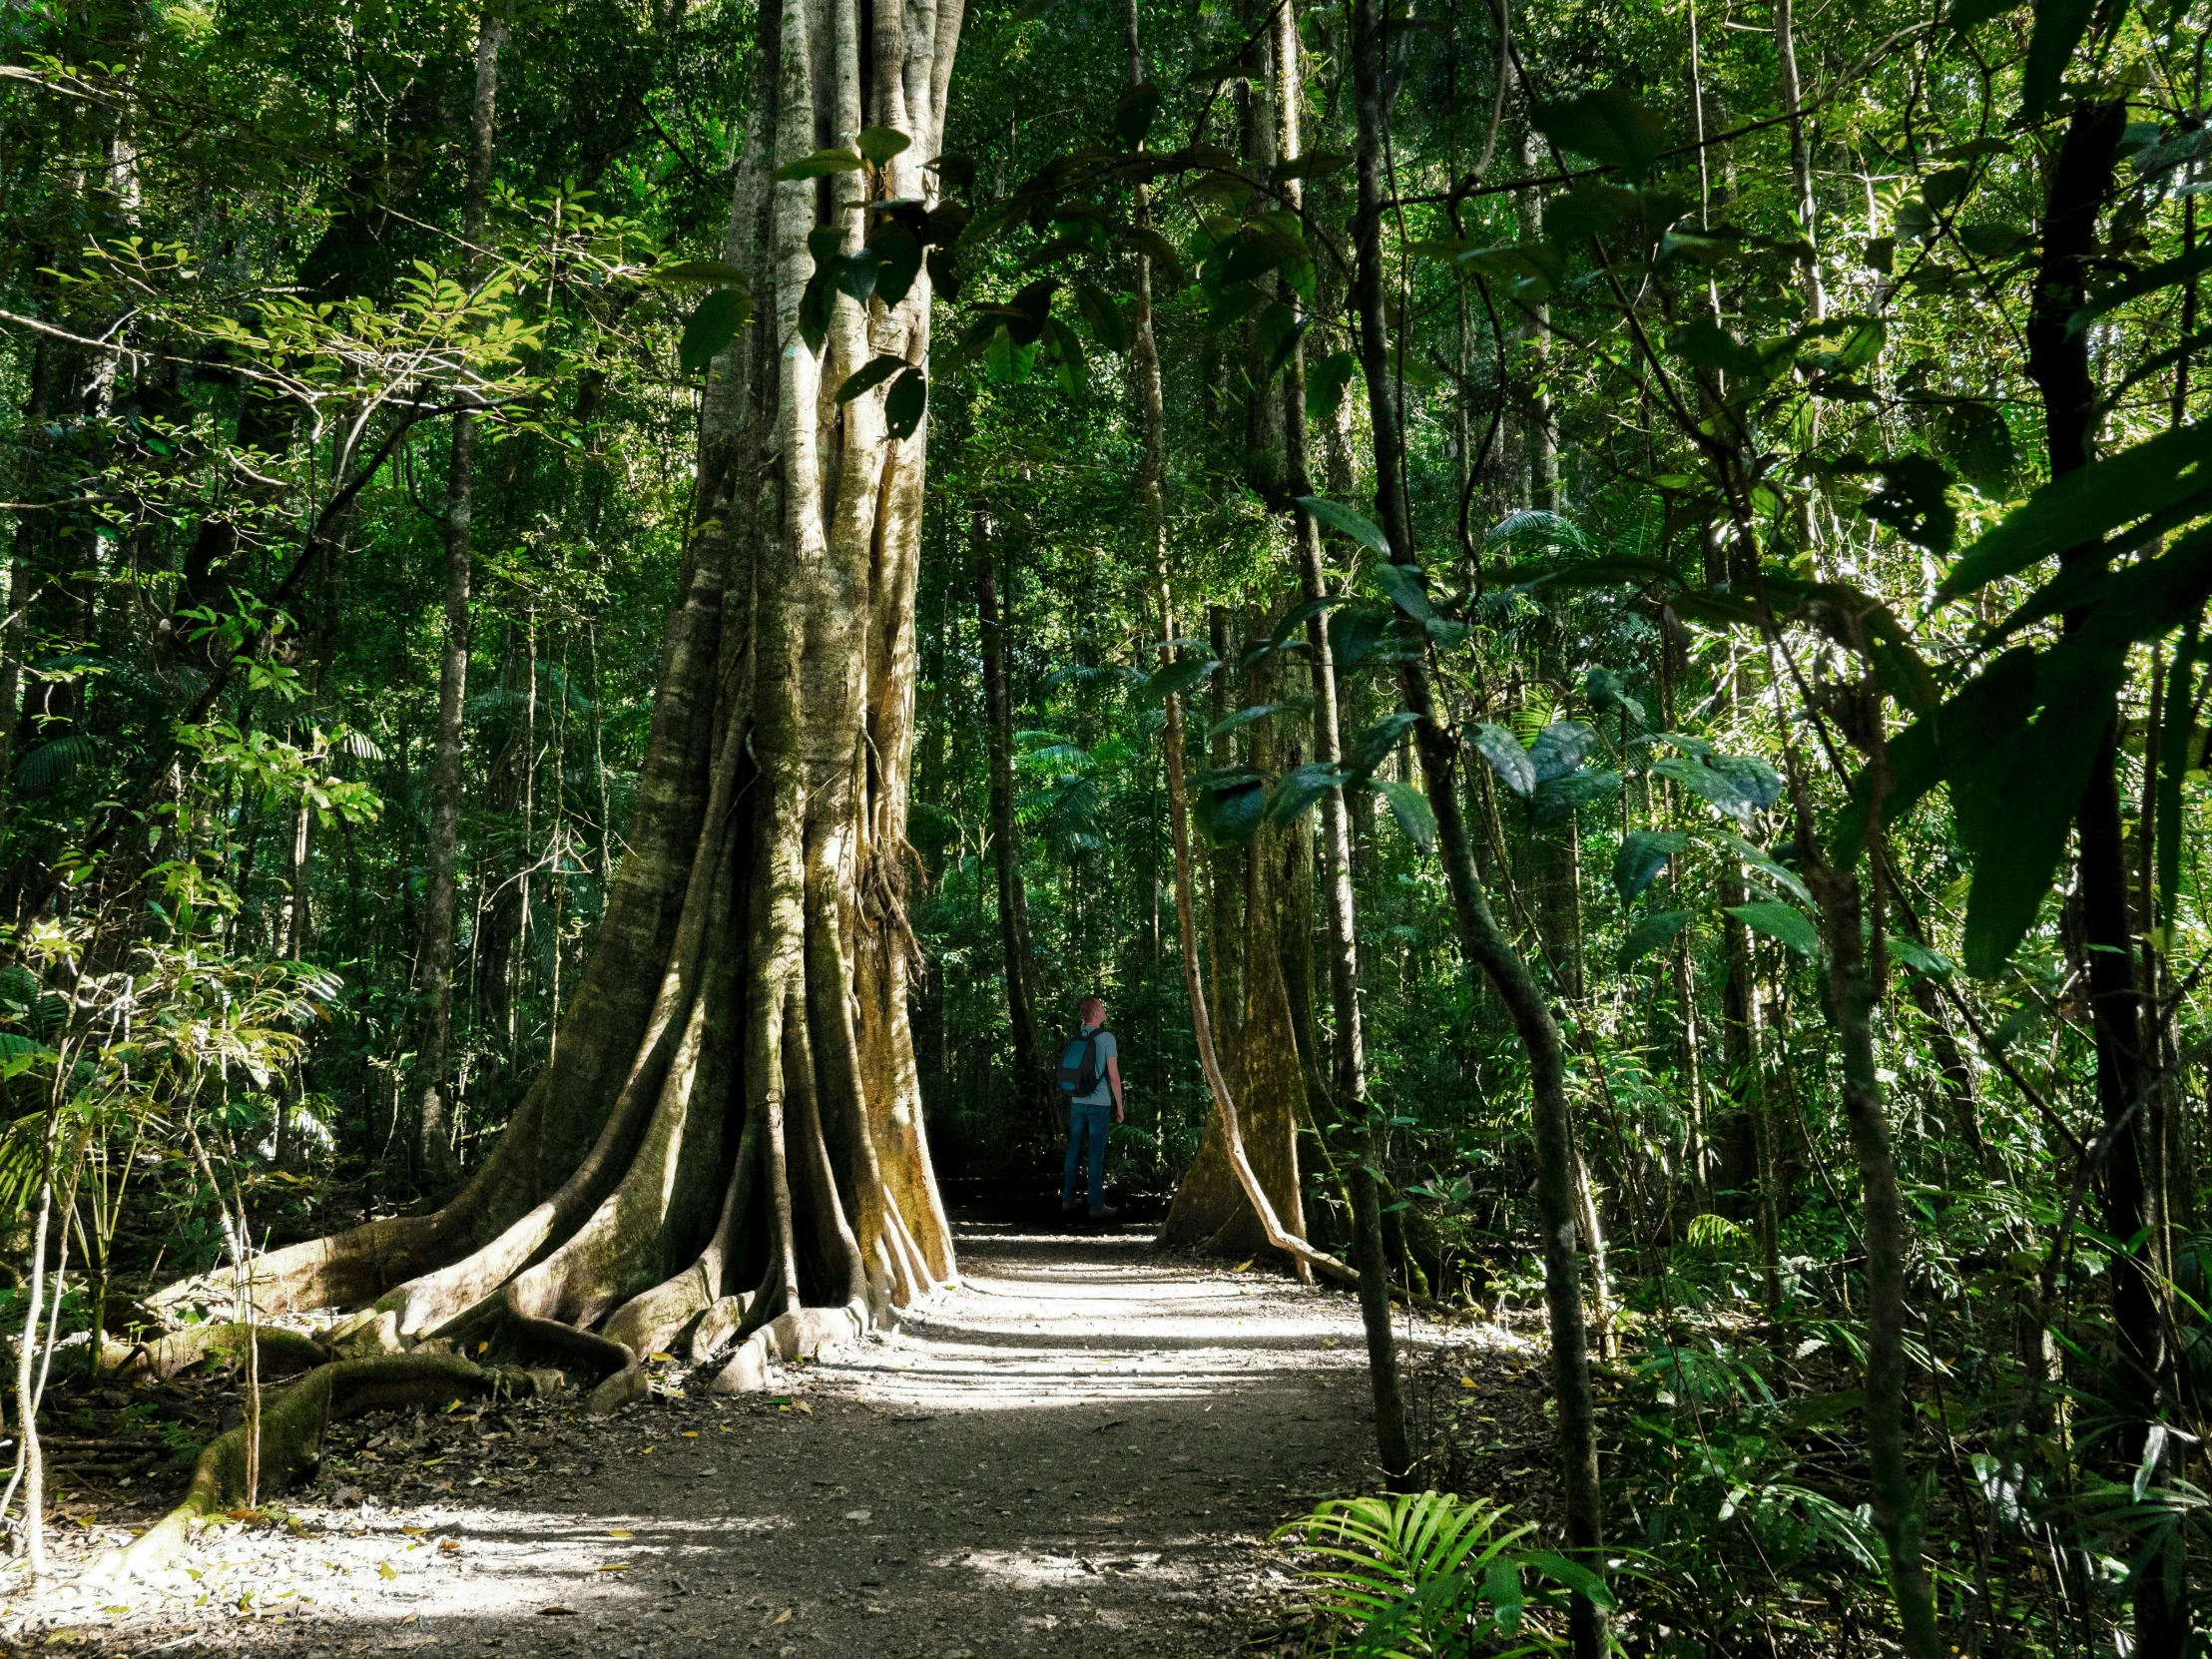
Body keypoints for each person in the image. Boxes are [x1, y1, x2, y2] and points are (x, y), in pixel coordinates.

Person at [1057, 995, 1123, 1221]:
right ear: (1096, 1014)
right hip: (1099, 1104)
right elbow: (1113, 1077)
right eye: (1102, 1008)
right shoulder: (1106, 1038)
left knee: (1073, 1150)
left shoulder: (1077, 1036)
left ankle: (1068, 1200)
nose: (1104, 1010)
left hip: (1077, 1102)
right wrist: (1120, 1106)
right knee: (1095, 1154)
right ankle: (1096, 1206)